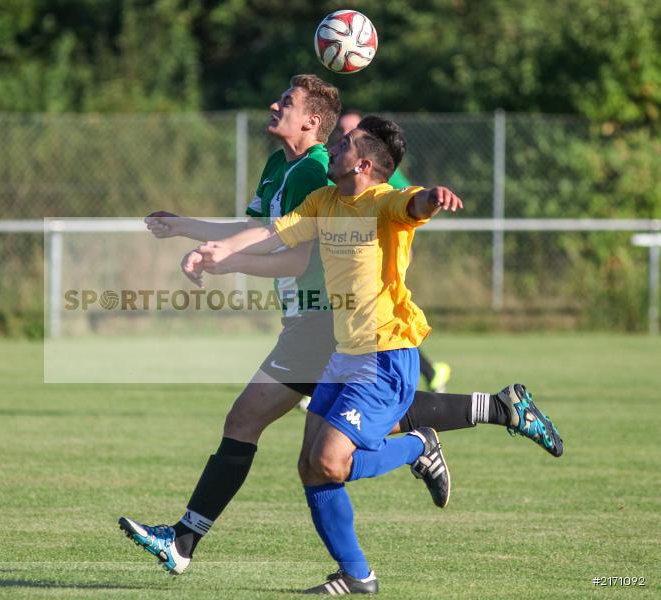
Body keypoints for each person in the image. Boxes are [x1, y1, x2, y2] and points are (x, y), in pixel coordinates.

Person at [119, 76, 562, 577]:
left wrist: (431, 199)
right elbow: (268, 231)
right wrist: (199, 236)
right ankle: (493, 413)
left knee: (298, 442)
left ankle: (185, 541)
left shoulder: (323, 176)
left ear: (318, 125)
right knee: (323, 452)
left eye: (286, 102)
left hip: (325, 325)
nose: (275, 105)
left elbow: (359, 225)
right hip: (330, 335)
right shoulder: (300, 180)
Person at [193, 118, 461, 593]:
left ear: (362, 163)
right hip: (343, 354)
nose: (332, 149)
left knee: (332, 461)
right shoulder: (324, 201)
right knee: (310, 467)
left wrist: (432, 197)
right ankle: (357, 576)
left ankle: (420, 446)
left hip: (387, 353)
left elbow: (413, 202)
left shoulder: (382, 202)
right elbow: (274, 233)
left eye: (342, 145)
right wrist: (219, 250)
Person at [331, 110, 452, 393]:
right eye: (341, 130)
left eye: (350, 130)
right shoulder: (337, 175)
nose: (341, 134)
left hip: (382, 257)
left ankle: (436, 378)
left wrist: (429, 200)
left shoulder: (383, 181)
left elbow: (405, 202)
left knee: (382, 318)